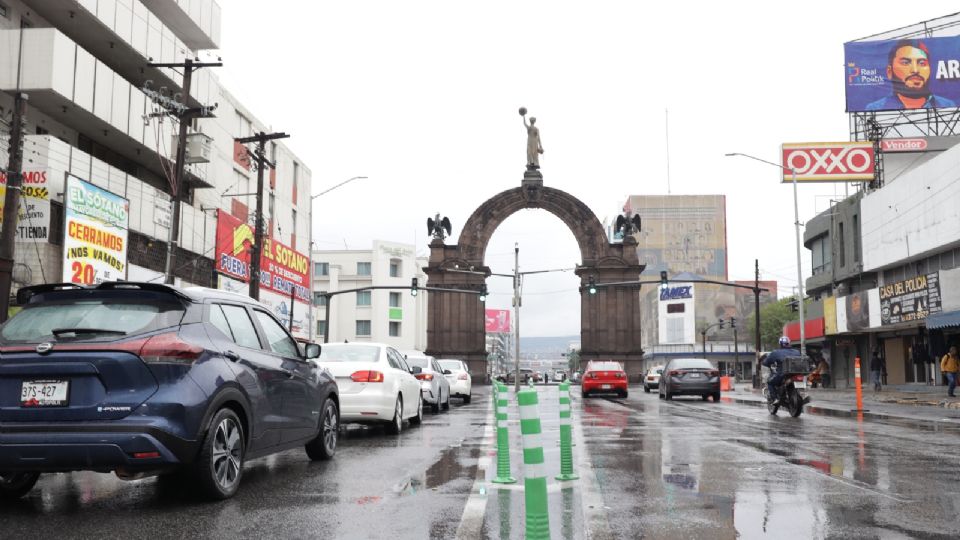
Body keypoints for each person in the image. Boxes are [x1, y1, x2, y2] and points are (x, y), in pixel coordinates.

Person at [865, 39, 958, 111]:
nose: (915, 70)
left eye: (922, 63)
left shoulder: (947, 105)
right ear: (889, 72)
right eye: (905, 63)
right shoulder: (875, 108)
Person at [763, 336, 800, 403]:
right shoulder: (796, 351)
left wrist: (765, 362)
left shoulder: (776, 352)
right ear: (789, 343)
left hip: (782, 374)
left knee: (770, 382)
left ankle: (775, 399)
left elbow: (766, 362)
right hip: (796, 373)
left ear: (780, 344)